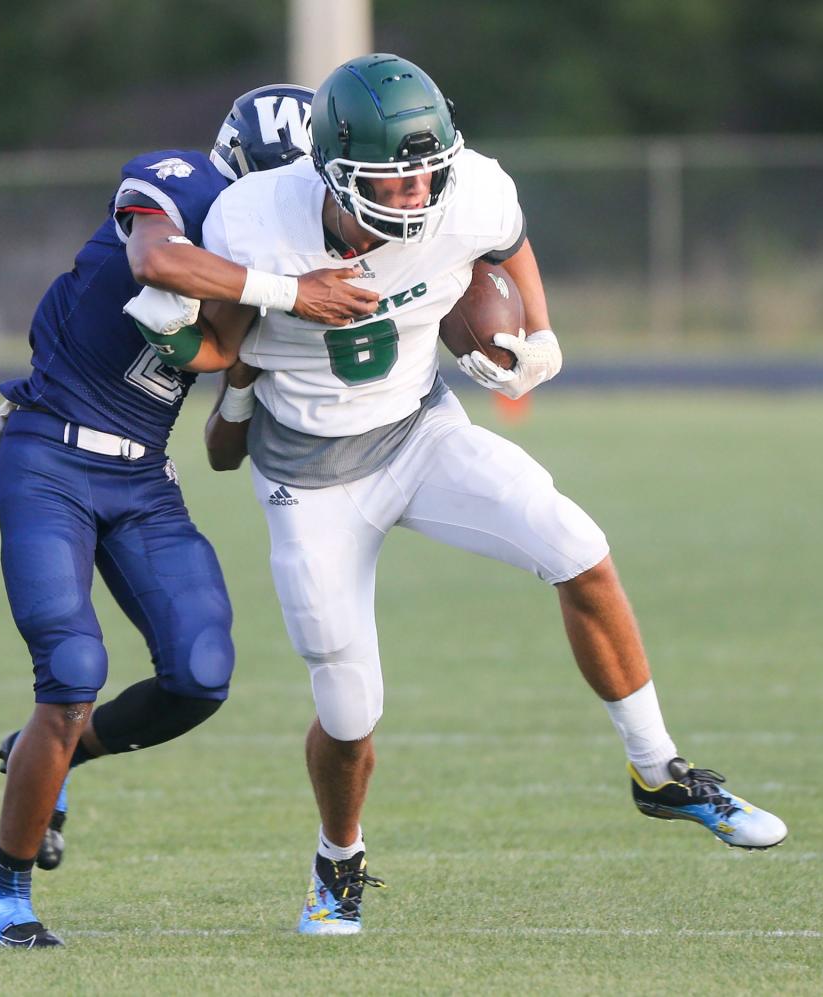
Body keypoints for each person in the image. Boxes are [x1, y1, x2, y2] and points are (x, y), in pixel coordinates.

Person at [190, 54, 787, 936]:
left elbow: (507, 244)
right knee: (349, 708)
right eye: (389, 184)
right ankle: (338, 859)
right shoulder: (251, 222)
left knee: (576, 545)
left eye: (425, 175)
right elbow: (211, 358)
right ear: (327, 172)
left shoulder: (469, 189)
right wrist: (239, 319)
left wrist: (539, 335)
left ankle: (657, 769)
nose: (414, 200)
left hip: (422, 431)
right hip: (311, 475)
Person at [0, 83, 380, 948]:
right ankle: (4, 899)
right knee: (72, 668)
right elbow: (156, 261)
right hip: (50, 458)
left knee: (199, 672)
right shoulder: (182, 183)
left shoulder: (267, 259)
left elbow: (225, 404)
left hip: (143, 476)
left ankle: (58, 754)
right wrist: (288, 293)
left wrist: (258, 368)